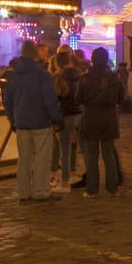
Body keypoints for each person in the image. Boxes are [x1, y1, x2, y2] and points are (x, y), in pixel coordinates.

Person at [2, 40, 62, 204]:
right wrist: (56, 117)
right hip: (41, 121)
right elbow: (49, 99)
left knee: (24, 159)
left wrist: (12, 119)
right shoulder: (41, 75)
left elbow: (7, 101)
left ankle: (23, 192)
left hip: (21, 122)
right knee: (42, 157)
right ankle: (41, 191)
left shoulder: (13, 75)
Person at [75, 48, 124, 197]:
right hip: (108, 118)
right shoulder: (114, 78)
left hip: (91, 118)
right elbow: (121, 98)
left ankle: (92, 189)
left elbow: (79, 98)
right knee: (108, 154)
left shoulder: (85, 78)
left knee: (92, 156)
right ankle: (112, 188)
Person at [53, 50, 82, 191]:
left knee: (64, 150)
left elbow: (54, 100)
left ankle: (64, 182)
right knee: (81, 148)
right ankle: (80, 175)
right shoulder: (78, 76)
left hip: (65, 115)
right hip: (79, 114)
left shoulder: (57, 78)